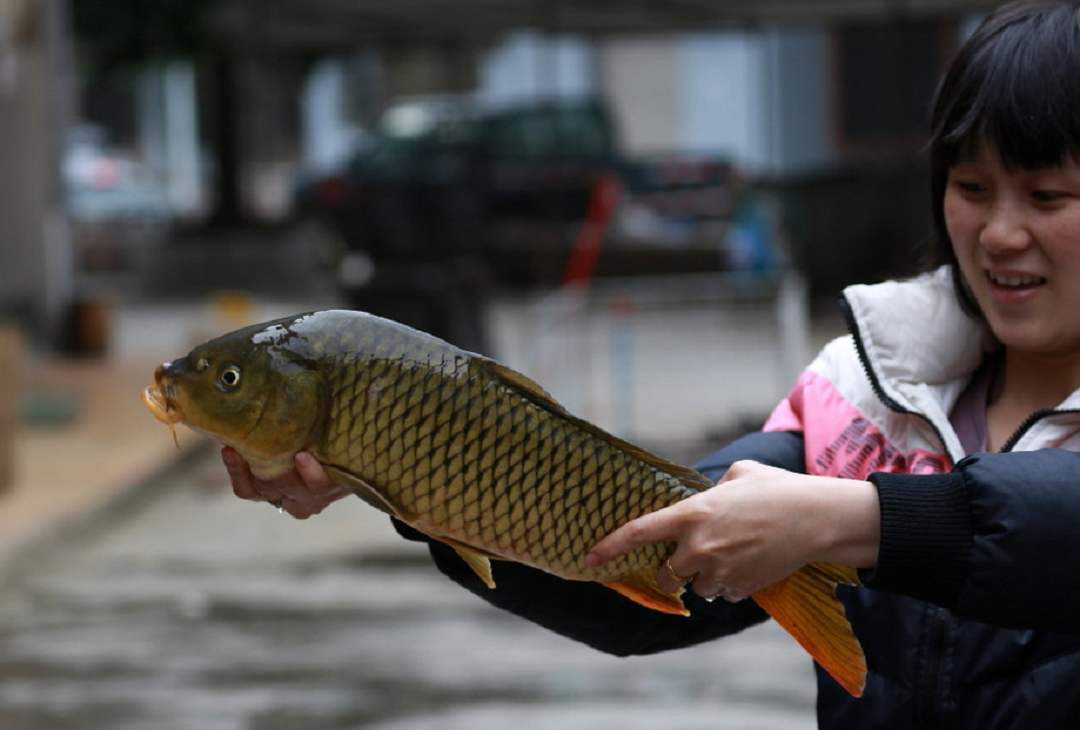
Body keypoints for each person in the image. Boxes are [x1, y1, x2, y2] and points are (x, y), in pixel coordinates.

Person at [223, 2, 1080, 726]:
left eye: (1048, 197)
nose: (1001, 232)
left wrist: (858, 520)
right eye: (971, 188)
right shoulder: (861, 399)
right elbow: (640, 551)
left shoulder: (856, 471)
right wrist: (404, 476)